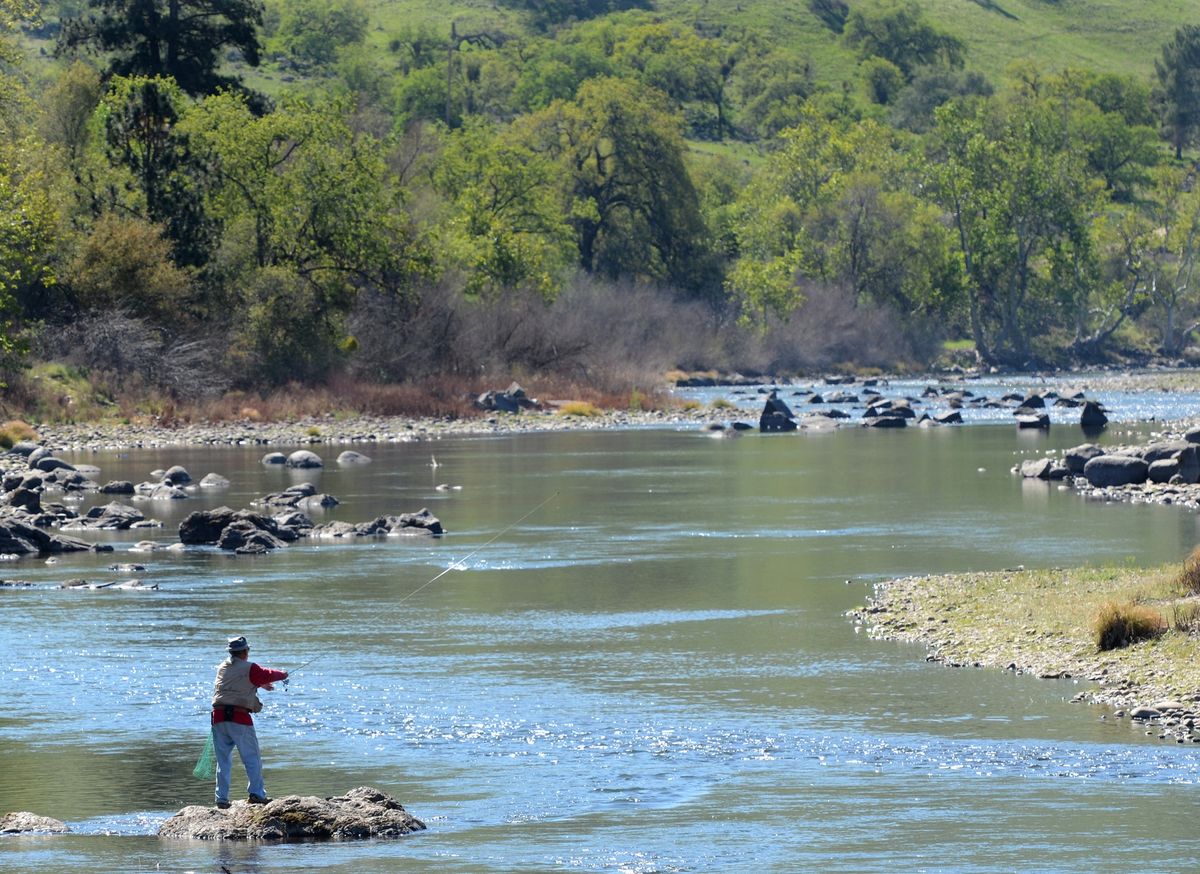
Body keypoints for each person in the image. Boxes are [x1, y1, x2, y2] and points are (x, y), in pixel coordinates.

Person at [210, 635, 288, 809]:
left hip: (218, 717)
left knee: (223, 761)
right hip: (239, 717)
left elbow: (236, 681)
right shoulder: (250, 667)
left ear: (231, 653)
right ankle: (256, 794)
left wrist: (261, 684)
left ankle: (221, 799)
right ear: (245, 652)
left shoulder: (223, 667)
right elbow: (266, 674)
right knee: (252, 758)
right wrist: (283, 674)